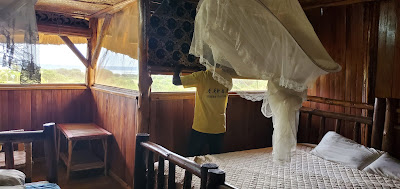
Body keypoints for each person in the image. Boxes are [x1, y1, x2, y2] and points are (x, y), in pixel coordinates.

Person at [173, 65, 231, 156]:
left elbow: (176, 81)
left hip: (202, 126)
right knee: (217, 161)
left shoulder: (201, 76)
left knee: (192, 159)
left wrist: (178, 68)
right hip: (219, 126)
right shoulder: (227, 78)